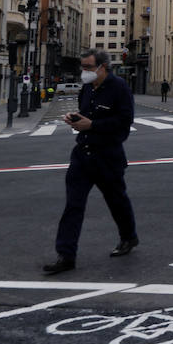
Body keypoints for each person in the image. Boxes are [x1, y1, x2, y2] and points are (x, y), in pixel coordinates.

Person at [43, 50, 138, 275]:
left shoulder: (120, 88)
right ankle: (66, 255)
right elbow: (86, 115)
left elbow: (124, 123)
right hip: (82, 155)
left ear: (103, 67)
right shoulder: (86, 88)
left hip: (108, 157)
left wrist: (93, 126)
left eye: (88, 67)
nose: (84, 72)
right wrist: (75, 119)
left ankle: (129, 237)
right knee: (73, 206)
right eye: (82, 67)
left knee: (117, 201)